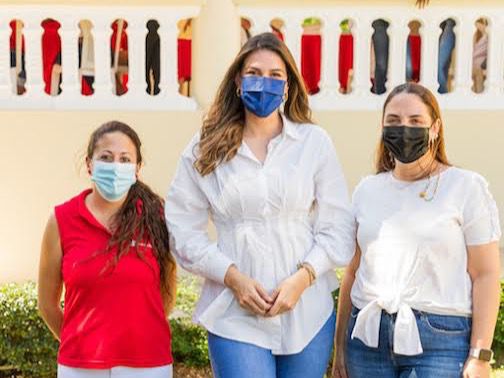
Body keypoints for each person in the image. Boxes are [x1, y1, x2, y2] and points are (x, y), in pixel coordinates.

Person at [166, 32, 356, 378]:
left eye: (275, 76)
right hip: (235, 313)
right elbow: (181, 229)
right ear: (238, 80)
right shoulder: (205, 146)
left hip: (307, 310)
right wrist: (232, 276)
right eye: (254, 73)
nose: (263, 83)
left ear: (288, 86)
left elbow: (339, 226)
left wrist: (304, 277)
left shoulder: (313, 142)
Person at [332, 83, 501, 378]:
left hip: (439, 341)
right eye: (394, 121)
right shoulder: (367, 190)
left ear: (435, 128)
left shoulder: (465, 187)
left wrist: (479, 355)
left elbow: (485, 274)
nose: (404, 128)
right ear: (383, 128)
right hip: (367, 340)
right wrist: (340, 351)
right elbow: (352, 271)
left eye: (415, 121)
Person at [38, 121, 177, 378]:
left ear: (137, 169)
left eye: (125, 159)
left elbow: (166, 291)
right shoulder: (61, 220)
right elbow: (47, 303)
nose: (115, 166)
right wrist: (79, 344)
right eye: (106, 157)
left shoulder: (158, 217)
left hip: (149, 364)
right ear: (90, 164)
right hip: (80, 367)